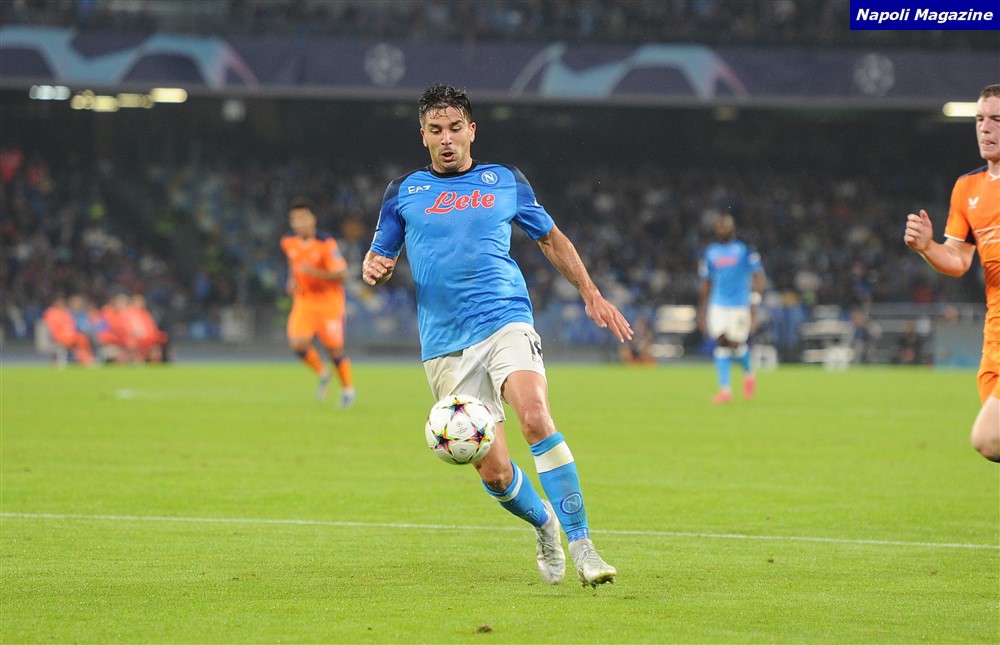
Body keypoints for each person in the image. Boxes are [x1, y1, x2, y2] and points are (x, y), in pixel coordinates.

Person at [362, 83, 633, 587]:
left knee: (534, 415)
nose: (447, 138)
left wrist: (590, 292)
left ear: (472, 130)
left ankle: (584, 547)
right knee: (495, 472)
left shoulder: (505, 180)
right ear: (423, 136)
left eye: (455, 128)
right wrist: (375, 265)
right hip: (445, 342)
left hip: (504, 317)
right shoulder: (403, 192)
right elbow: (382, 252)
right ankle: (545, 524)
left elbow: (550, 238)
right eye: (436, 130)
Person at [903, 83, 1000, 463]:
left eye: (996, 119)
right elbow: (959, 260)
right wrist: (927, 247)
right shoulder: (967, 188)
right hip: (994, 336)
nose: (985, 128)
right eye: (980, 119)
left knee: (988, 436)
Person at [281, 197, 355, 407]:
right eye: (295, 219)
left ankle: (348, 390)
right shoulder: (288, 242)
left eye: (303, 218)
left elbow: (342, 274)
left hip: (329, 303)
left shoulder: (326, 244)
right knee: (297, 344)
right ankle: (323, 373)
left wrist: (313, 272)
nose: (299, 223)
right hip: (305, 301)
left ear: (313, 219)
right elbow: (293, 262)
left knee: (334, 351)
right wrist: (292, 280)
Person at [696, 214, 765, 404]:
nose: (723, 230)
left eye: (726, 226)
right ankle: (725, 390)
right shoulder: (711, 252)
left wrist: (754, 301)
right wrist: (701, 310)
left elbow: (759, 275)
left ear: (732, 228)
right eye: (720, 227)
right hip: (718, 304)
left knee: (736, 344)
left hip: (740, 304)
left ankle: (749, 372)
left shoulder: (743, 250)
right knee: (721, 342)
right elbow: (706, 282)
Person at [42, 294, 94, 366]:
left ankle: (86, 359)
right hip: (59, 336)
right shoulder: (51, 313)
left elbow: (72, 324)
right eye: (59, 302)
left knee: (82, 339)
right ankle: (86, 360)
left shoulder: (65, 312)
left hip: (69, 335)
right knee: (81, 340)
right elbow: (53, 328)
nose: (61, 304)